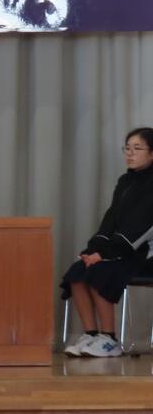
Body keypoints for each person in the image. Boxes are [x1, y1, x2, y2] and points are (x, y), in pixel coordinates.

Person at [61, 127, 153, 357]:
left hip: (144, 254)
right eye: (127, 148)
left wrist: (105, 254)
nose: (130, 153)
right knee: (77, 272)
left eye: (137, 148)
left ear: (152, 153)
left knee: (100, 270)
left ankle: (109, 340)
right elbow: (111, 218)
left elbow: (141, 227)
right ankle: (92, 334)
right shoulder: (125, 181)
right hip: (121, 250)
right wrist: (93, 249)